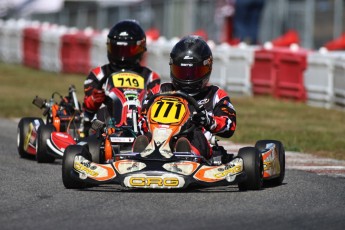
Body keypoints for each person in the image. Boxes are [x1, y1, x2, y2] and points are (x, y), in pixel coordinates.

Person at [137, 35, 236, 159]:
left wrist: (208, 120)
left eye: (193, 72)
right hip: (158, 139)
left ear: (207, 68)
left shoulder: (215, 95)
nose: (187, 78)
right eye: (182, 72)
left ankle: (186, 152)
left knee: (194, 135)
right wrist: (144, 123)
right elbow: (142, 117)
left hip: (198, 147)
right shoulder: (160, 91)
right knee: (146, 135)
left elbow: (229, 125)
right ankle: (141, 152)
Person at [83, 19, 161, 132]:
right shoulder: (99, 74)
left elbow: (155, 104)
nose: (122, 56)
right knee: (102, 110)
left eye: (128, 50)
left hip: (140, 123)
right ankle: (97, 137)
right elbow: (88, 106)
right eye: (118, 50)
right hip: (105, 123)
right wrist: (95, 98)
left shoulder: (150, 77)